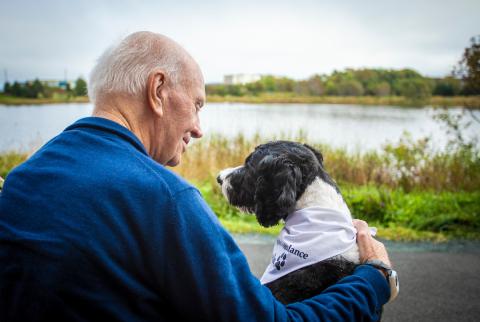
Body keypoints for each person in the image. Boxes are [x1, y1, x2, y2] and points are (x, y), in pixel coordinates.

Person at [0, 31, 393, 321]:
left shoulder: (23, 180)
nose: (199, 128)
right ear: (157, 90)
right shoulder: (164, 199)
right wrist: (373, 279)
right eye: (197, 104)